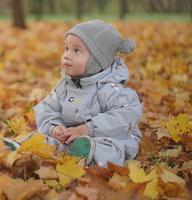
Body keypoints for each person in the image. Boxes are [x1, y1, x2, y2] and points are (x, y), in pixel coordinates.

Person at [33, 20, 142, 167]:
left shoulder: (110, 89)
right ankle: (27, 148)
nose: (67, 55)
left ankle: (87, 153)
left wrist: (89, 129)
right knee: (43, 139)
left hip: (107, 136)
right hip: (69, 137)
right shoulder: (64, 86)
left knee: (109, 147)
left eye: (76, 50)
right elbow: (47, 108)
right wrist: (54, 128)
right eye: (66, 48)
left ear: (97, 61)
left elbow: (125, 115)